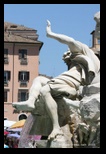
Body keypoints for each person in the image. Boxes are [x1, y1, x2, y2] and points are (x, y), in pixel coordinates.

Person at [13, 18, 100, 141]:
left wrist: (51, 34)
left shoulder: (85, 53)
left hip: (70, 87)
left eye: (67, 53)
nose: (65, 55)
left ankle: (56, 128)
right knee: (38, 79)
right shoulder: (75, 64)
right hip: (60, 83)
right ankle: (31, 102)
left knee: (44, 90)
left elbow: (70, 41)